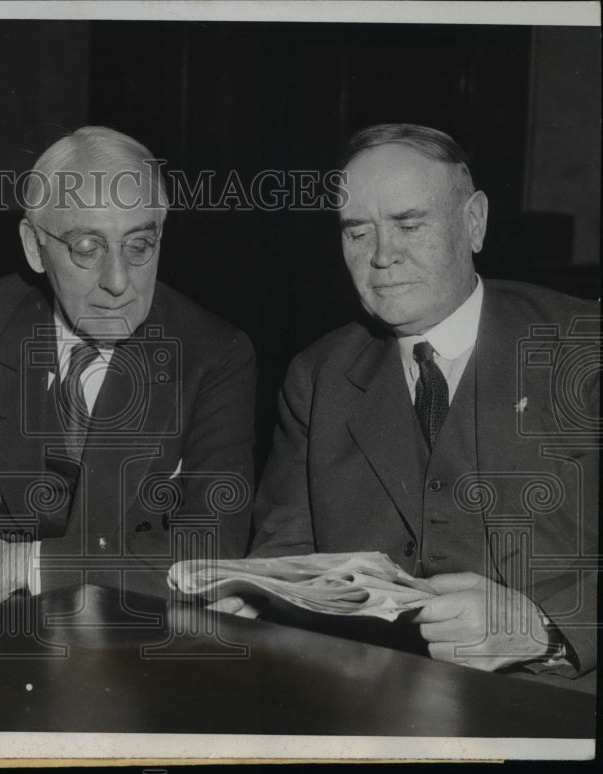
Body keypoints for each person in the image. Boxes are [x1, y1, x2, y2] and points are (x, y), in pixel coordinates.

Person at [242, 124, 598, 684]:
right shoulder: (320, 375)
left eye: (409, 224)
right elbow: (285, 559)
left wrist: (544, 630)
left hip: (561, 701)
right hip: (366, 699)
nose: (383, 256)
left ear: (473, 223)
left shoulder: (583, 348)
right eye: (358, 232)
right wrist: (254, 601)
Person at [0, 126, 255, 613]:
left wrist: (24, 565)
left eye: (139, 246)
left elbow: (210, 553)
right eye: (87, 248)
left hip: (131, 644)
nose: (119, 282)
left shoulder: (216, 354)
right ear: (35, 247)